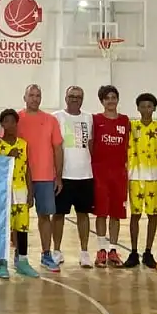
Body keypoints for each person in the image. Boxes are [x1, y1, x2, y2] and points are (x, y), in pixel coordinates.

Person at [19, 85, 63, 272]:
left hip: (45, 176)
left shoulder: (51, 120)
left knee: (45, 216)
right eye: (31, 95)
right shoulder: (16, 119)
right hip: (21, 177)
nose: (35, 98)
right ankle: (20, 256)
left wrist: (58, 176)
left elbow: (58, 149)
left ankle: (46, 254)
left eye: (38, 95)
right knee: (20, 218)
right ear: (25, 97)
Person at [0, 109, 37, 278]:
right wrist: (7, 157)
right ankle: (2, 262)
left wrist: (30, 192)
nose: (10, 125)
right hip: (4, 193)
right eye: (7, 121)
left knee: (22, 227)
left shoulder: (23, 144)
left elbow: (27, 168)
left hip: (20, 190)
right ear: (2, 124)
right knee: (5, 228)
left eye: (13, 121)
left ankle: (22, 261)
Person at [90, 85, 131, 268]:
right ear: (102, 101)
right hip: (100, 173)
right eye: (107, 98)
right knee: (101, 212)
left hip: (119, 174)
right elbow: (91, 144)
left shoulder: (125, 121)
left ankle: (113, 250)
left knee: (116, 213)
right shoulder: (96, 120)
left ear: (118, 99)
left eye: (114, 97)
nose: (111, 101)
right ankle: (101, 249)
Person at [53, 86, 94, 267]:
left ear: (82, 99)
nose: (75, 99)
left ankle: (84, 252)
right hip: (64, 175)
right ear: (66, 98)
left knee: (83, 214)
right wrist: (56, 175)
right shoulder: (57, 117)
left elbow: (91, 144)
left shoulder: (89, 118)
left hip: (85, 175)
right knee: (59, 215)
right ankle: (56, 251)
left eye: (78, 96)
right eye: (72, 96)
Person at [127, 93, 157, 268]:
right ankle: (133, 252)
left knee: (152, 215)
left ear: (154, 108)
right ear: (138, 108)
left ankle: (148, 252)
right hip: (135, 176)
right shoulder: (131, 126)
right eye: (143, 106)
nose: (146, 109)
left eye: (149, 106)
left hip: (154, 177)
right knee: (135, 215)